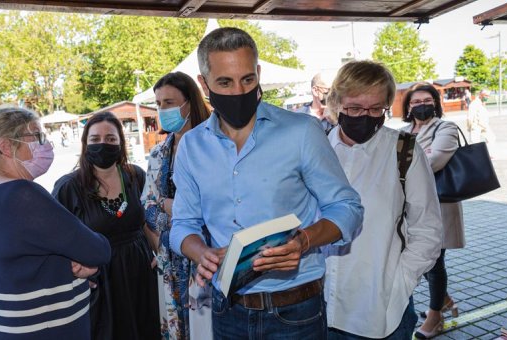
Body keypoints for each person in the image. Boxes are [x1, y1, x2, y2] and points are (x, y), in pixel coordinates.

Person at [169, 27, 363, 339]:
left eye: (247, 79)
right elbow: (182, 224)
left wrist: (304, 241)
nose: (238, 92)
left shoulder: (301, 132)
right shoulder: (191, 147)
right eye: (225, 82)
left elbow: (348, 209)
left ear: (258, 74)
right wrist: (200, 252)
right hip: (226, 311)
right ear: (204, 84)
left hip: (296, 312)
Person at [0, 105, 111, 339]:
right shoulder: (22, 194)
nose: (45, 144)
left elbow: (25, 261)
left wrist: (73, 266)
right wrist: (84, 261)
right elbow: (98, 250)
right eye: (36, 136)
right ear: (6, 146)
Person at [323, 61, 443, 339]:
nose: (365, 116)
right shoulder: (316, 148)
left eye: (376, 109)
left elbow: (427, 229)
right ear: (337, 102)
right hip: (319, 308)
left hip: (382, 308)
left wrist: (400, 282)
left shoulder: (404, 151)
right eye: (354, 108)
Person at [52, 111, 160, 340]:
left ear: (121, 143)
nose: (103, 144)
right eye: (95, 139)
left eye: (111, 139)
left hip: (139, 274)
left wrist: (160, 253)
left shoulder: (135, 176)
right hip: (101, 281)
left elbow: (145, 222)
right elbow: (54, 241)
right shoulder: (69, 187)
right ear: (85, 144)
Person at [141, 71, 212, 340]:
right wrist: (174, 211)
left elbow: (218, 206)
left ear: (190, 102)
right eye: (158, 104)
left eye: (169, 103)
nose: (162, 110)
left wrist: (170, 205)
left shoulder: (214, 144)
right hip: (170, 262)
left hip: (207, 259)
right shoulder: (160, 152)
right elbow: (147, 208)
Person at [401, 82, 465, 339]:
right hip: (409, 206)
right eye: (415, 102)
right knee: (421, 258)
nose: (421, 105)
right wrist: (419, 157)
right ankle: (444, 298)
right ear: (408, 107)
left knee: (435, 261)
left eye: (426, 100)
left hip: (439, 205)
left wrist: (412, 161)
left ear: (435, 103)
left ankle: (435, 316)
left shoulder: (445, 127)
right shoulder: (403, 130)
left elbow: (435, 160)